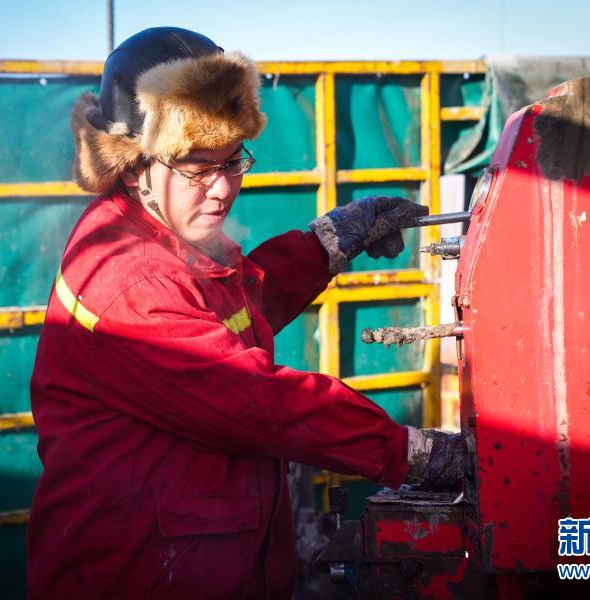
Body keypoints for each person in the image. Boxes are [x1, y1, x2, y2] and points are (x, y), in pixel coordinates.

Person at [27, 26, 461, 599]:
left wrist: (329, 243)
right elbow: (260, 402)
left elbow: (232, 314)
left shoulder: (160, 235)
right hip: (141, 575)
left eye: (232, 160)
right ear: (133, 167)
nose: (222, 189)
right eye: (197, 168)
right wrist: (413, 453)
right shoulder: (133, 280)